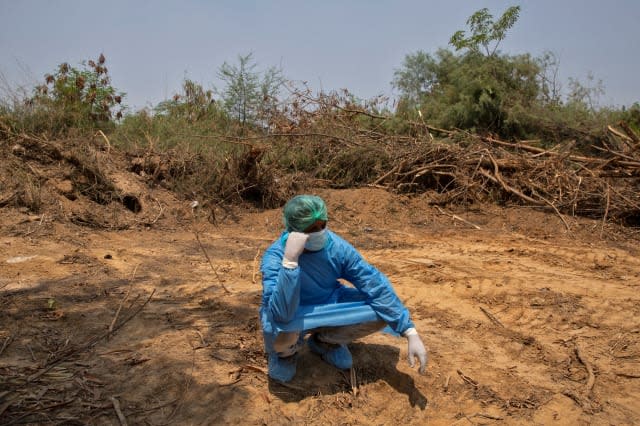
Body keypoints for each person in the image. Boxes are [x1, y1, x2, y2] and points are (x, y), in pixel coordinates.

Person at [260, 194, 428, 382]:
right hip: (294, 313)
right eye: (312, 228)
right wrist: (290, 263)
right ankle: (286, 353)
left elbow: (372, 282)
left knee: (382, 311)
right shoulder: (275, 257)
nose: (320, 232)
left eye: (323, 225)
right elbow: (281, 312)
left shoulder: (336, 247)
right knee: (280, 326)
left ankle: (325, 342)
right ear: (295, 231)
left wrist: (409, 331)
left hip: (329, 303)